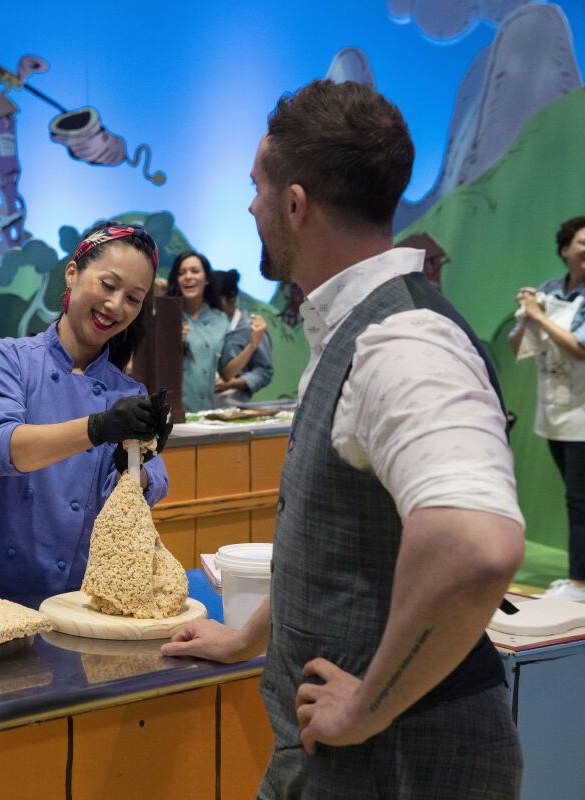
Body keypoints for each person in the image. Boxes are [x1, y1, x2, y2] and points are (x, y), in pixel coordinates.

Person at [163, 79, 525, 798]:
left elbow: (476, 547)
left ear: (296, 205)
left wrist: (366, 708)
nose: (251, 207)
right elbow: (345, 551)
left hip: (399, 762)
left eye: (257, 187)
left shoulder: (404, 341)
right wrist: (248, 637)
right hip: (344, 753)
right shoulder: (357, 333)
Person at [0, 222, 173, 604]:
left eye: (133, 298)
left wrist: (134, 468)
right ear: (72, 273)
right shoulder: (6, 358)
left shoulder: (129, 392)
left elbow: (150, 486)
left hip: (71, 603)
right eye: (108, 285)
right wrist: (98, 428)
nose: (116, 305)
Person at [510, 215, 585, 602]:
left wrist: (539, 316)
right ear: (565, 249)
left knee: (579, 500)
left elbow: (581, 349)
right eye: (583, 243)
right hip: (555, 410)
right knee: (575, 497)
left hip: (582, 414)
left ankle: (579, 584)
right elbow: (517, 346)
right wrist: (527, 315)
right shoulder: (549, 290)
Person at [165, 251, 228, 411]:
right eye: (181, 273)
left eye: (195, 271)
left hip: (207, 412)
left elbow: (226, 371)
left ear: (206, 278)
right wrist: (173, 342)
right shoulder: (165, 316)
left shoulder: (220, 319)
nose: (188, 277)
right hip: (172, 413)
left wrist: (252, 344)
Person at [212, 269, 274, 406]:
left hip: (235, 406)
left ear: (231, 297)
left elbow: (264, 371)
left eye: (216, 302)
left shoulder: (251, 327)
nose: (213, 308)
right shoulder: (202, 325)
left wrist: (234, 383)